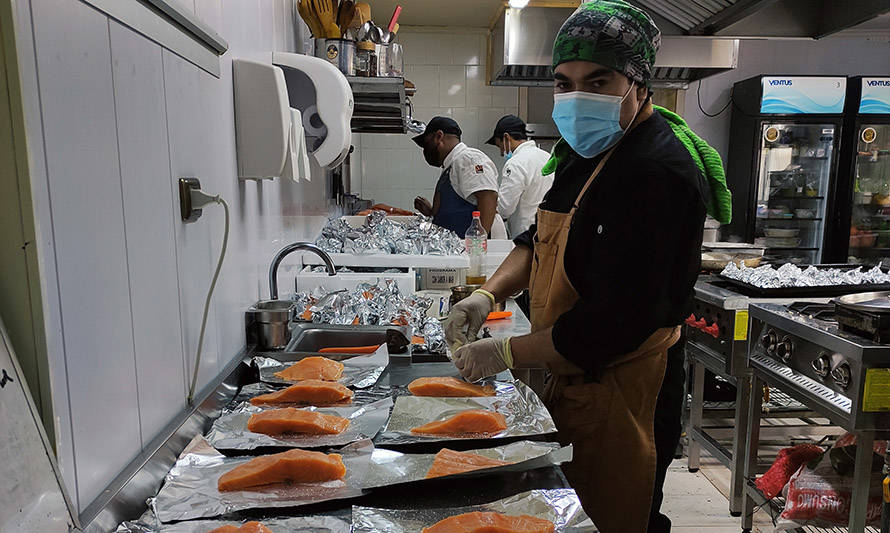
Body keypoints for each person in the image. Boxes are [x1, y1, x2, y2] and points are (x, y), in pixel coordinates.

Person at [442, 2, 732, 532]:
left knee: (616, 518)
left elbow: (613, 324)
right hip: (572, 376)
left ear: (638, 85)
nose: (577, 98)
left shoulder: (659, 173)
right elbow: (536, 240)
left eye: (598, 81)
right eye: (564, 82)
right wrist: (489, 295)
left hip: (624, 390)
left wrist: (506, 351)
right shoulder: (585, 152)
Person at [412, 116, 499, 237]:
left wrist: (477, 243)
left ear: (439, 137)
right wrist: (432, 212)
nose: (425, 150)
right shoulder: (452, 164)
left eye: (426, 143)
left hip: (467, 251)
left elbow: (488, 197)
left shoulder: (468, 159)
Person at [485, 115, 553, 238]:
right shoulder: (547, 157)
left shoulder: (515, 163)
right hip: (549, 232)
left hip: (525, 235)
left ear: (506, 137)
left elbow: (505, 209)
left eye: (499, 146)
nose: (501, 152)